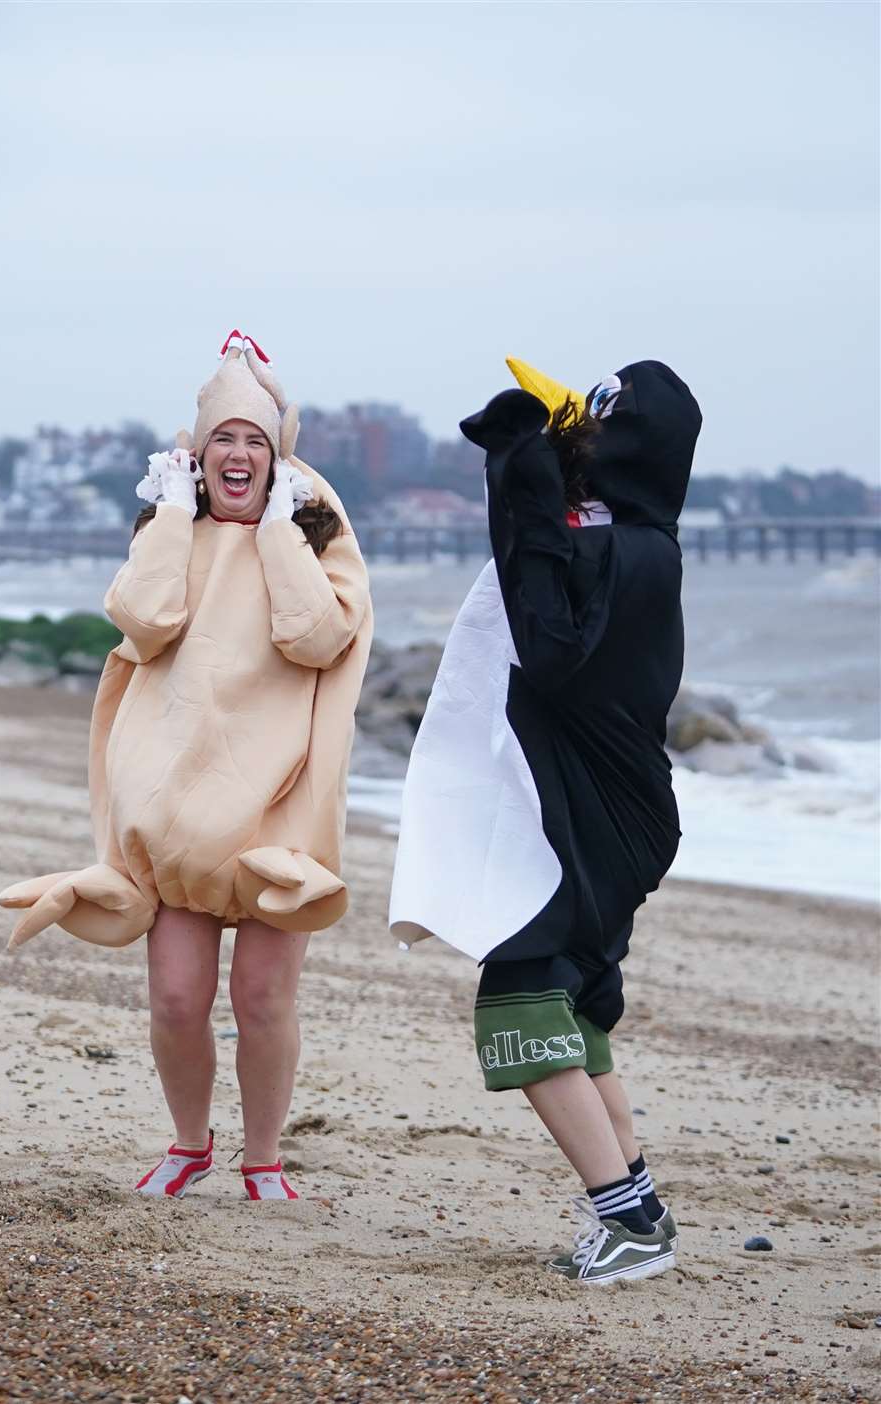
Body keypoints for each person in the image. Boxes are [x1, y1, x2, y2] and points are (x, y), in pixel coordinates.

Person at [0, 331, 373, 1202]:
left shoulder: (316, 537)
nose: (237, 455)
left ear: (278, 456)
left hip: (277, 812)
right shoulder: (171, 527)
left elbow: (316, 639)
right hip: (174, 814)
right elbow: (146, 621)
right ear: (195, 455)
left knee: (261, 1001)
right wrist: (171, 518)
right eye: (222, 441)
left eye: (255, 441)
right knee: (174, 997)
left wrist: (279, 531)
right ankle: (190, 1143)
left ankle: (265, 1157)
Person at [389, 356, 701, 1283]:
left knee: (521, 1001)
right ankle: (637, 1203)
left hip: (599, 812)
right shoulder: (627, 535)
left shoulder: (633, 550)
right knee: (572, 1001)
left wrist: (519, 473)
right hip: (603, 806)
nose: (584, 435)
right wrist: (519, 464)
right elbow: (545, 567)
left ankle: (627, 1227)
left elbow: (550, 646)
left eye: (600, 423)